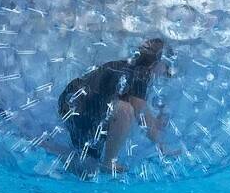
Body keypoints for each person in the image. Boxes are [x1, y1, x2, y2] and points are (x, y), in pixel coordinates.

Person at [57, 38, 171, 175]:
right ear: (157, 63)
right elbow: (141, 115)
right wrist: (162, 145)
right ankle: (109, 162)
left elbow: (143, 109)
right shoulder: (142, 73)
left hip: (72, 105)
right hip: (80, 109)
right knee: (125, 110)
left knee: (89, 162)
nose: (167, 70)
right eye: (166, 65)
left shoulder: (127, 67)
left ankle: (61, 153)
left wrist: (156, 122)